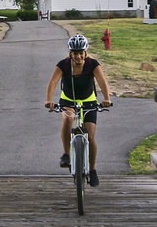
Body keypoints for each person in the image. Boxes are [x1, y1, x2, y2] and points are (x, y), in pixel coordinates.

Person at [44, 33, 112, 186]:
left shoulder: (93, 64)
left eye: (81, 53)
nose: (78, 56)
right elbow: (53, 82)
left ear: (85, 53)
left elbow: (102, 81)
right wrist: (49, 100)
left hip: (89, 101)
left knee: (91, 136)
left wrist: (107, 99)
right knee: (68, 118)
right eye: (75, 53)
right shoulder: (63, 65)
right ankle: (66, 154)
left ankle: (92, 170)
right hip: (68, 99)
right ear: (70, 54)